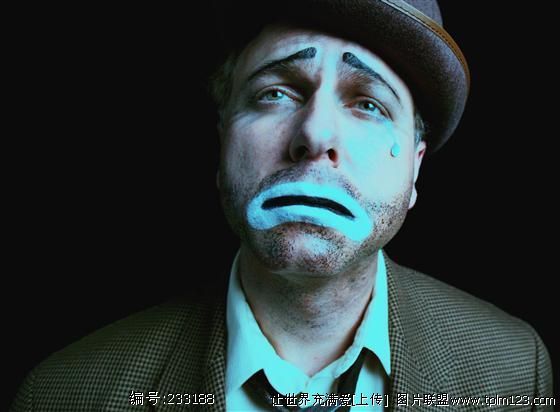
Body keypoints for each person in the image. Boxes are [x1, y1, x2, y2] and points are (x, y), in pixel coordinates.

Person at [11, 0, 554, 410]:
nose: (315, 134)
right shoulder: (64, 394)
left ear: (414, 169)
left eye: (368, 103)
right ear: (222, 141)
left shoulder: (514, 370)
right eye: (275, 93)